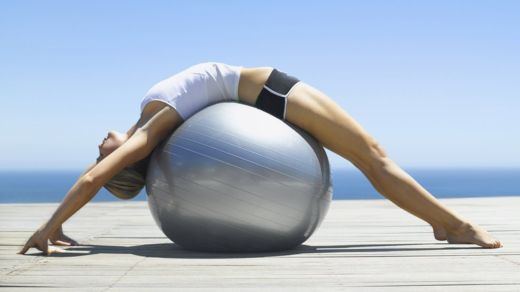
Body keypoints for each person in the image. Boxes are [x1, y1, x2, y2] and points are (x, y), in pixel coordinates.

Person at [18, 62, 502, 255]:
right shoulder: (147, 132)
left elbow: (94, 175)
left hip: (262, 102)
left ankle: (445, 223)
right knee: (373, 157)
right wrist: (49, 226)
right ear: (123, 161)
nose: (98, 146)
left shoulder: (150, 123)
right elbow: (92, 179)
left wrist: (56, 227)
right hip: (270, 93)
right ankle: (451, 225)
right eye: (103, 154)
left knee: (373, 157)